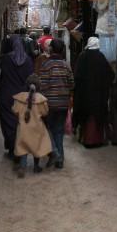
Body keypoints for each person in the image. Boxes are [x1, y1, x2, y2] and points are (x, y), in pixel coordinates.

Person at [73, 36, 114, 147]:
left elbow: (76, 76)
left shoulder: (82, 57)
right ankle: (98, 140)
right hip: (99, 96)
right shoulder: (101, 57)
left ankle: (88, 140)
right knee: (98, 117)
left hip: (85, 95)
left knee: (87, 117)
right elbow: (110, 75)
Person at [0, 34, 34, 159]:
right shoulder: (28, 61)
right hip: (22, 96)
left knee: (8, 122)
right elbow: (31, 80)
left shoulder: (5, 59)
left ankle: (13, 149)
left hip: (6, 95)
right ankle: (19, 149)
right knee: (20, 122)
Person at [40, 38, 74, 169]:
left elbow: (43, 86)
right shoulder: (67, 65)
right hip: (63, 104)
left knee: (46, 127)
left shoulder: (46, 65)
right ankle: (60, 161)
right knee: (58, 131)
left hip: (49, 103)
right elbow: (72, 84)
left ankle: (54, 151)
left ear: (50, 49)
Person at [13, 74, 53, 178]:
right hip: (36, 128)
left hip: (23, 128)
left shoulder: (19, 97)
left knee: (23, 147)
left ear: (26, 85)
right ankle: (36, 167)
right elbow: (45, 112)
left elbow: (15, 110)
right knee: (37, 147)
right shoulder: (41, 99)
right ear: (39, 86)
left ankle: (23, 165)